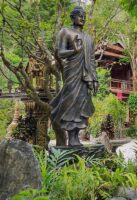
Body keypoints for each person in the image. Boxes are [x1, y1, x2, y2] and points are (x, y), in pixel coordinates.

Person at [50, 6, 98, 146]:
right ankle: (70, 137)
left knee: (82, 103)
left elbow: (92, 59)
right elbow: (60, 52)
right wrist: (74, 50)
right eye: (79, 15)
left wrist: (94, 78)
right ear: (72, 17)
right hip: (71, 71)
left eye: (84, 15)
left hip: (85, 74)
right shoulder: (65, 31)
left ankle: (75, 137)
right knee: (70, 101)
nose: (82, 17)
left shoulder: (88, 38)